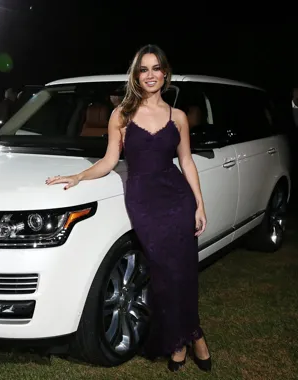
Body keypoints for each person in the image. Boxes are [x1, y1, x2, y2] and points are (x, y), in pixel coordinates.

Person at [45, 44, 211, 372]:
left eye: (155, 69)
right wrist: (79, 176)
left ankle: (187, 339)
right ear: (136, 75)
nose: (150, 75)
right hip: (144, 203)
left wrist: (199, 205)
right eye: (143, 69)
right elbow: (109, 160)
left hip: (177, 200)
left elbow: (187, 162)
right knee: (163, 275)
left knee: (185, 273)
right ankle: (187, 337)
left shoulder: (177, 117)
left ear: (165, 74)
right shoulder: (121, 114)